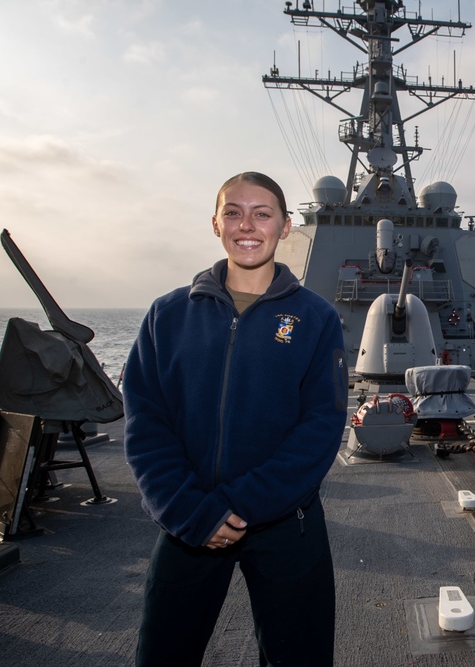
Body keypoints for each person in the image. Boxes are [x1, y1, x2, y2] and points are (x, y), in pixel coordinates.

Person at [123, 171, 348, 666]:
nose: (247, 225)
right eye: (234, 212)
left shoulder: (316, 319)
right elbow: (145, 422)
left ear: (285, 227)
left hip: (289, 523)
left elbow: (320, 428)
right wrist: (192, 512)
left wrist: (239, 504)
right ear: (216, 224)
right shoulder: (168, 315)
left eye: (262, 213)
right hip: (190, 519)